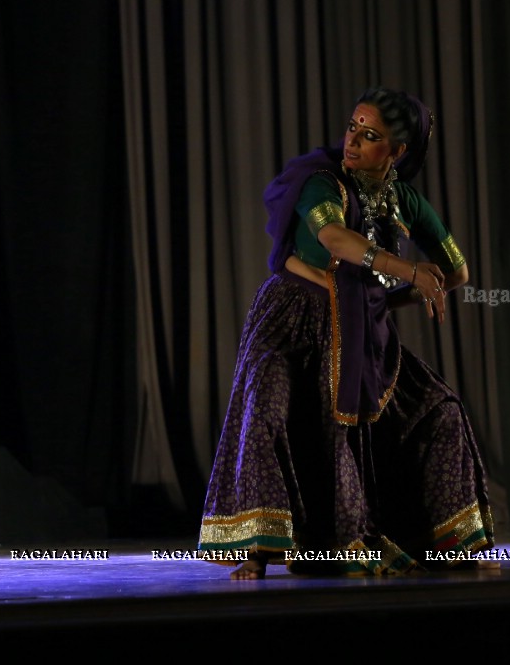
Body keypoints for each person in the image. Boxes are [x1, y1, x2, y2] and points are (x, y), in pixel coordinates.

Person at [197, 87, 493, 579]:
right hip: (293, 320)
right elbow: (334, 238)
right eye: (353, 126)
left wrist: (387, 300)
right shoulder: (324, 183)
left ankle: (454, 544)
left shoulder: (405, 201)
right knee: (269, 399)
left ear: (396, 152)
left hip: (359, 331)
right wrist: (405, 268)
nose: (352, 140)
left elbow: (456, 271)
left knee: (440, 411)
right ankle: (259, 548)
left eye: (369, 135)